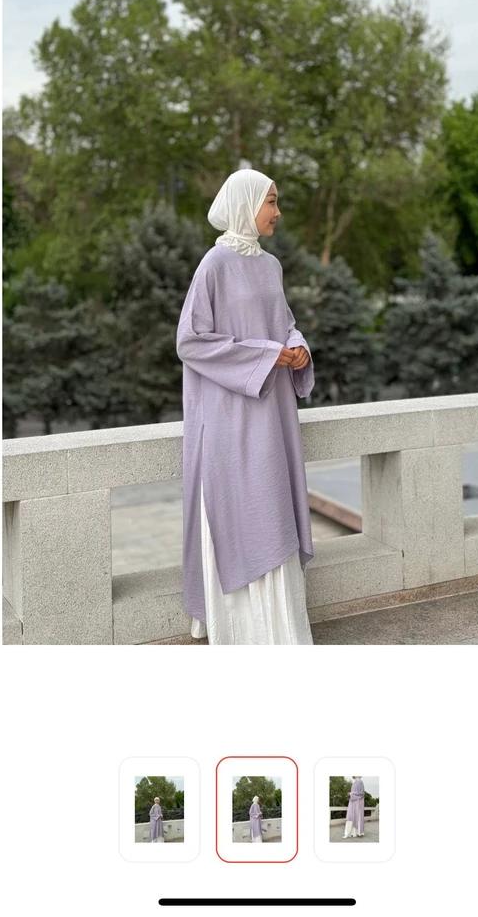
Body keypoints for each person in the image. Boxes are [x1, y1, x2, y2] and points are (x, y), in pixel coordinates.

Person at [176, 167, 315, 645]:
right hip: (230, 414)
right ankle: (242, 629)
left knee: (272, 503)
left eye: (276, 201)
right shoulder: (213, 265)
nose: (277, 212)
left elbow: (284, 323)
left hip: (272, 412)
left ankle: (278, 628)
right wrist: (266, 355)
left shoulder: (270, 265)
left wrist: (296, 347)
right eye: (270, 201)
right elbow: (190, 341)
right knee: (242, 506)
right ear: (245, 204)